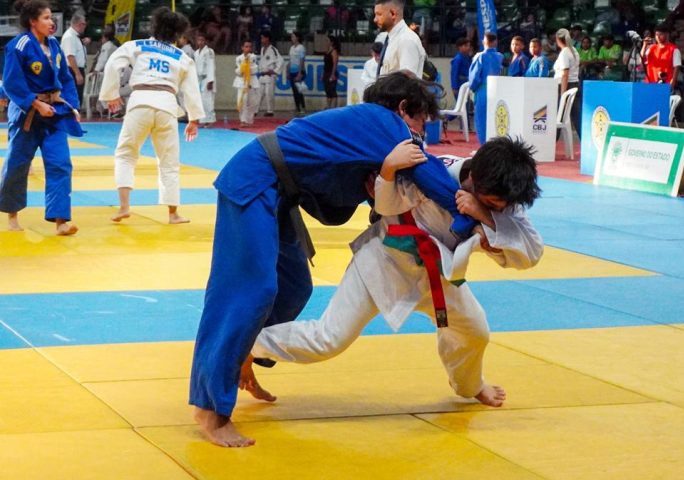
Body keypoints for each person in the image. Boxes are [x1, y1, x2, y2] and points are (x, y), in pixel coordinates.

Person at [189, 72, 479, 448]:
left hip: (279, 193)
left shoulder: (373, 134)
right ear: (404, 109)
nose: (422, 135)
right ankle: (210, 409)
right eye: (421, 123)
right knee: (249, 289)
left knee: (295, 286)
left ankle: (243, 356)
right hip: (254, 179)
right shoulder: (384, 122)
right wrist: (471, 213)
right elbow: (434, 180)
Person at [247, 137, 543, 408]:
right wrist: (388, 172)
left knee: (474, 330)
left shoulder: (502, 196)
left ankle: (470, 385)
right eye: (491, 204)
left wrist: (483, 215)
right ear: (472, 180)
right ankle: (245, 347)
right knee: (329, 339)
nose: (500, 210)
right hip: (383, 264)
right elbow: (385, 205)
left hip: (437, 276)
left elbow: (531, 251)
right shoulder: (433, 173)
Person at [99, 6, 204, 224]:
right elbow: (192, 88)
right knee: (169, 161)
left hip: (140, 102)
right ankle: (173, 213)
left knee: (126, 154)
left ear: (154, 27)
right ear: (177, 33)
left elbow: (112, 64)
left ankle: (124, 207)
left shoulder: (136, 45)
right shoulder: (182, 56)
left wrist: (111, 94)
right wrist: (194, 118)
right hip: (166, 105)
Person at [1, 0, 82, 235]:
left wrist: (72, 106)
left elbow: (65, 78)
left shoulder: (54, 45)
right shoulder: (19, 45)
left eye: (51, 17)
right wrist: (34, 103)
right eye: (46, 18)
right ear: (32, 22)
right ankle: (12, 215)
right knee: (17, 164)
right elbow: (12, 83)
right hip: (27, 114)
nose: (51, 22)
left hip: (54, 114)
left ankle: (60, 221)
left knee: (61, 163)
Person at [373, 0, 426, 77]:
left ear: (393, 14)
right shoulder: (391, 38)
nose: (375, 19)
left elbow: (407, 82)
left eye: (379, 14)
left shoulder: (407, 40)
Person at [468, 32, 502, 144]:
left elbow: (475, 76)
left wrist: (473, 88)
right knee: (495, 118)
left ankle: (483, 145)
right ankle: (494, 144)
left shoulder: (480, 56)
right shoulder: (500, 56)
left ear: (484, 42)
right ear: (495, 42)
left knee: (481, 119)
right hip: (497, 89)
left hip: (482, 89)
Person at [554, 28, 581, 138]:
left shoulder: (565, 52)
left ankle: (553, 141)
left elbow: (565, 74)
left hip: (565, 86)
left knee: (558, 115)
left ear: (558, 39)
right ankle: (584, 140)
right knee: (576, 116)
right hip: (574, 84)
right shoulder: (574, 50)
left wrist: (562, 95)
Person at [641, 23, 682, 91]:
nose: (658, 37)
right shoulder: (651, 48)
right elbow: (642, 57)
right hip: (649, 84)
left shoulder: (674, 49)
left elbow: (676, 68)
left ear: (667, 34)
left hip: (665, 85)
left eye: (661, 34)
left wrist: (672, 84)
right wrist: (644, 45)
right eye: (656, 35)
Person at [60, 10, 89, 106]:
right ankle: (72, 117)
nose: (85, 27)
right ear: (79, 24)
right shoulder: (70, 36)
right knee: (74, 96)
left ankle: (75, 117)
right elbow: (70, 56)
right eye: (84, 24)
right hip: (72, 70)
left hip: (75, 69)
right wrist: (77, 74)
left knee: (77, 96)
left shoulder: (75, 37)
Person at [233, 40, 259, 128]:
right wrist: (243, 68)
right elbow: (237, 71)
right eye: (246, 46)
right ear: (242, 48)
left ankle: (249, 120)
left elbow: (255, 69)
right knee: (242, 101)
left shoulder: (253, 57)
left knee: (252, 102)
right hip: (241, 81)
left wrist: (247, 68)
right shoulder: (238, 58)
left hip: (251, 80)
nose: (248, 49)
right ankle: (243, 120)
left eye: (249, 47)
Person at [257, 31, 282, 117]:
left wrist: (275, 71)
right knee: (259, 93)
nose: (261, 40)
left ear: (267, 39)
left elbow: (280, 61)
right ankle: (256, 110)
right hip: (263, 74)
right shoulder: (262, 49)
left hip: (270, 75)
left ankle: (270, 110)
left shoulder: (273, 50)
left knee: (269, 93)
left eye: (263, 38)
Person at [194, 33, 216, 126]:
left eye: (202, 40)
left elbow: (211, 65)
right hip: (199, 79)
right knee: (201, 101)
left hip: (207, 78)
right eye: (199, 40)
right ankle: (203, 121)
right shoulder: (196, 53)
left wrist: (210, 81)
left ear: (205, 41)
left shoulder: (209, 51)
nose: (200, 42)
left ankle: (210, 120)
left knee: (208, 101)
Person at [288, 31, 306, 114]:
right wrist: (288, 70)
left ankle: (303, 107)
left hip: (298, 71)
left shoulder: (301, 48)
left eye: (293, 36)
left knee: (299, 90)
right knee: (294, 91)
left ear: (297, 37)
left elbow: (301, 60)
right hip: (292, 71)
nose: (292, 38)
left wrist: (300, 73)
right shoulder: (291, 48)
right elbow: (290, 60)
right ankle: (297, 107)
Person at [322, 34, 340, 109]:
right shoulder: (327, 51)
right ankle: (328, 106)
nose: (326, 42)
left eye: (327, 41)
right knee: (328, 91)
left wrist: (332, 74)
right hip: (326, 72)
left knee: (332, 92)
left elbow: (335, 64)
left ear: (331, 42)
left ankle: (333, 108)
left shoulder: (334, 51)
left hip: (331, 73)